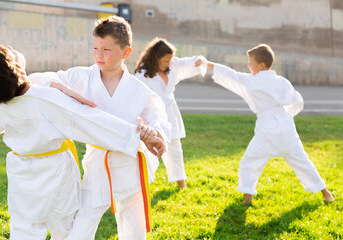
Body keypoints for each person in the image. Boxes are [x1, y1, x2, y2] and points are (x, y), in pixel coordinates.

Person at [0, 43, 165, 240]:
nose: (12, 47)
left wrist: (53, 84)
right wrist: (135, 136)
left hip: (22, 180)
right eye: (11, 51)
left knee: (23, 232)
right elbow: (92, 121)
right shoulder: (48, 99)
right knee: (65, 233)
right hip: (56, 179)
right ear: (18, 70)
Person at [29, 16, 171, 240]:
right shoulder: (81, 77)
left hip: (129, 165)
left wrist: (154, 132)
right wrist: (60, 87)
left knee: (134, 228)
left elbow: (159, 116)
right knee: (83, 223)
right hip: (97, 165)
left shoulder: (138, 89)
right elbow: (37, 80)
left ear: (126, 52)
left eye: (106, 49)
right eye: (95, 47)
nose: (98, 54)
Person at [204, 43, 334, 204]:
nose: (248, 66)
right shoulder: (281, 81)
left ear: (261, 65)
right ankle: (326, 193)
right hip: (286, 125)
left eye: (250, 63)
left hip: (266, 129)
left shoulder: (252, 81)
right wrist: (287, 114)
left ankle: (247, 198)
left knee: (250, 162)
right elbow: (296, 100)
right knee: (302, 161)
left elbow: (231, 75)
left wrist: (207, 63)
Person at [134, 37, 206, 189]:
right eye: (165, 60)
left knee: (174, 146)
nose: (169, 63)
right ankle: (141, 182)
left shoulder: (171, 66)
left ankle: (181, 182)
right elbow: (136, 96)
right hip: (151, 115)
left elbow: (187, 62)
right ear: (155, 59)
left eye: (170, 60)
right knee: (149, 148)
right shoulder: (142, 74)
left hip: (170, 112)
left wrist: (197, 61)